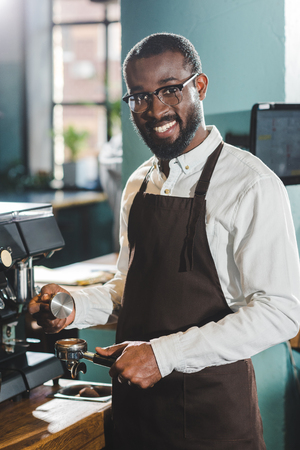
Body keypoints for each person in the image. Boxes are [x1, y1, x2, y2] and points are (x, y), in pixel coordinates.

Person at [29, 33, 300, 449]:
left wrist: (163, 355)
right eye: (139, 96)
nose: (155, 109)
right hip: (136, 418)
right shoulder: (138, 183)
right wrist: (72, 306)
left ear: (200, 86)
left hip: (212, 423)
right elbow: (129, 290)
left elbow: (280, 312)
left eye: (170, 89)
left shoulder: (251, 185)